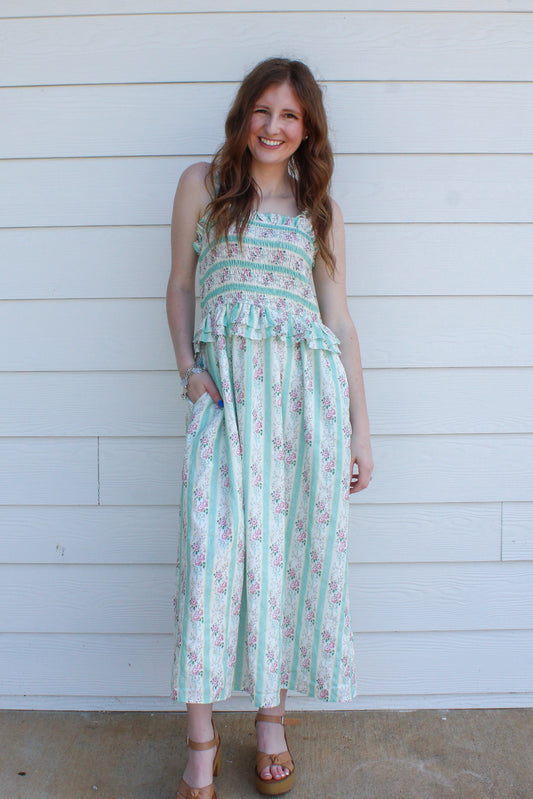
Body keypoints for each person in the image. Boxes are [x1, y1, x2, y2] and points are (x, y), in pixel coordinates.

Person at [166, 57, 373, 799]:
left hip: (303, 414)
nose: (273, 126)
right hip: (226, 407)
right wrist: (189, 371)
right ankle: (201, 742)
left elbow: (338, 322)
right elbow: (180, 286)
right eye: (262, 110)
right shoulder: (204, 186)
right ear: (243, 115)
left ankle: (272, 725)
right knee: (211, 565)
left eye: (289, 115)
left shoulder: (320, 212)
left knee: (285, 563)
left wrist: (360, 430)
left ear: (307, 128)